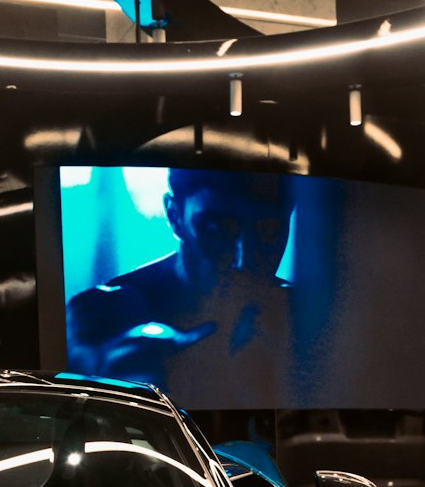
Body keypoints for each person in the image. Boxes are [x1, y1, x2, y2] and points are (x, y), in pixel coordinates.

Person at [66, 169, 296, 406]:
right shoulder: (110, 316)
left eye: (269, 232)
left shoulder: (303, 313)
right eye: (216, 230)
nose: (242, 260)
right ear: (174, 215)